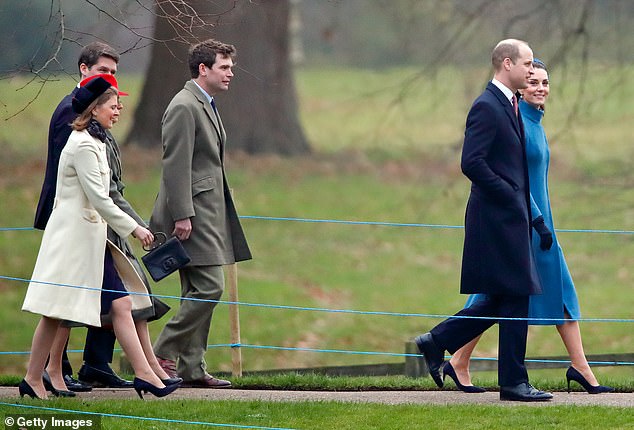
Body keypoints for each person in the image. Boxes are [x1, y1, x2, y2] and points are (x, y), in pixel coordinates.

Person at [445, 59, 614, 395]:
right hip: (527, 224)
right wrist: (536, 220)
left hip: (541, 223)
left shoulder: (536, 121)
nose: (540, 88)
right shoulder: (517, 123)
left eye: (546, 82)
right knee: (497, 295)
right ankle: (455, 355)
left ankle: (579, 367)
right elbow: (516, 181)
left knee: (550, 291)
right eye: (533, 81)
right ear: (519, 87)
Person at [20, 76, 180, 400]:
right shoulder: (82, 144)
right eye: (112, 105)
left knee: (114, 303)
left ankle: (145, 375)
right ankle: (33, 378)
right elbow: (100, 198)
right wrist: (135, 228)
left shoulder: (94, 142)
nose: (118, 110)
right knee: (53, 312)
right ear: (95, 109)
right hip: (72, 242)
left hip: (88, 241)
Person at [413, 39, 553, 402]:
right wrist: (509, 194)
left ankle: (439, 341)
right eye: (525, 64)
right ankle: (512, 382)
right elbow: (471, 163)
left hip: (511, 218)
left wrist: (531, 215)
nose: (530, 69)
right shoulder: (487, 106)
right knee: (517, 293)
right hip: (495, 219)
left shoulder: (510, 105)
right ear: (507, 64)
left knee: (508, 297)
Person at [151, 38, 252, 388]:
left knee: (196, 289)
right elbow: (174, 164)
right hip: (192, 215)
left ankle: (192, 368)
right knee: (210, 287)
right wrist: (182, 214)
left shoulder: (204, 102)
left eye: (231, 67)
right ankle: (161, 352)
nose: (230, 73)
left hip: (205, 212)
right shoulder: (184, 106)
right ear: (203, 69)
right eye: (224, 67)